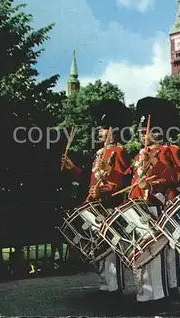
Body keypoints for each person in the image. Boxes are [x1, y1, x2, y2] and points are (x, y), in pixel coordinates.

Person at [61, 98, 132, 294]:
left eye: (104, 128)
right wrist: (73, 168)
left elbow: (122, 182)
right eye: (99, 128)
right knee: (100, 251)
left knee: (111, 251)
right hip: (96, 205)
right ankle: (107, 285)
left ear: (114, 130)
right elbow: (89, 179)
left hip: (109, 206)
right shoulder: (99, 153)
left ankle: (116, 288)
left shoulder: (119, 151)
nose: (100, 132)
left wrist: (104, 190)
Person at [127, 97, 180, 304]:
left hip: (158, 204)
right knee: (145, 251)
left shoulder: (170, 150)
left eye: (145, 131)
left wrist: (156, 164)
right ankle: (148, 292)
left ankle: (161, 293)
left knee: (158, 252)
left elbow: (174, 177)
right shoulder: (140, 154)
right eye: (140, 132)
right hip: (141, 206)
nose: (142, 136)